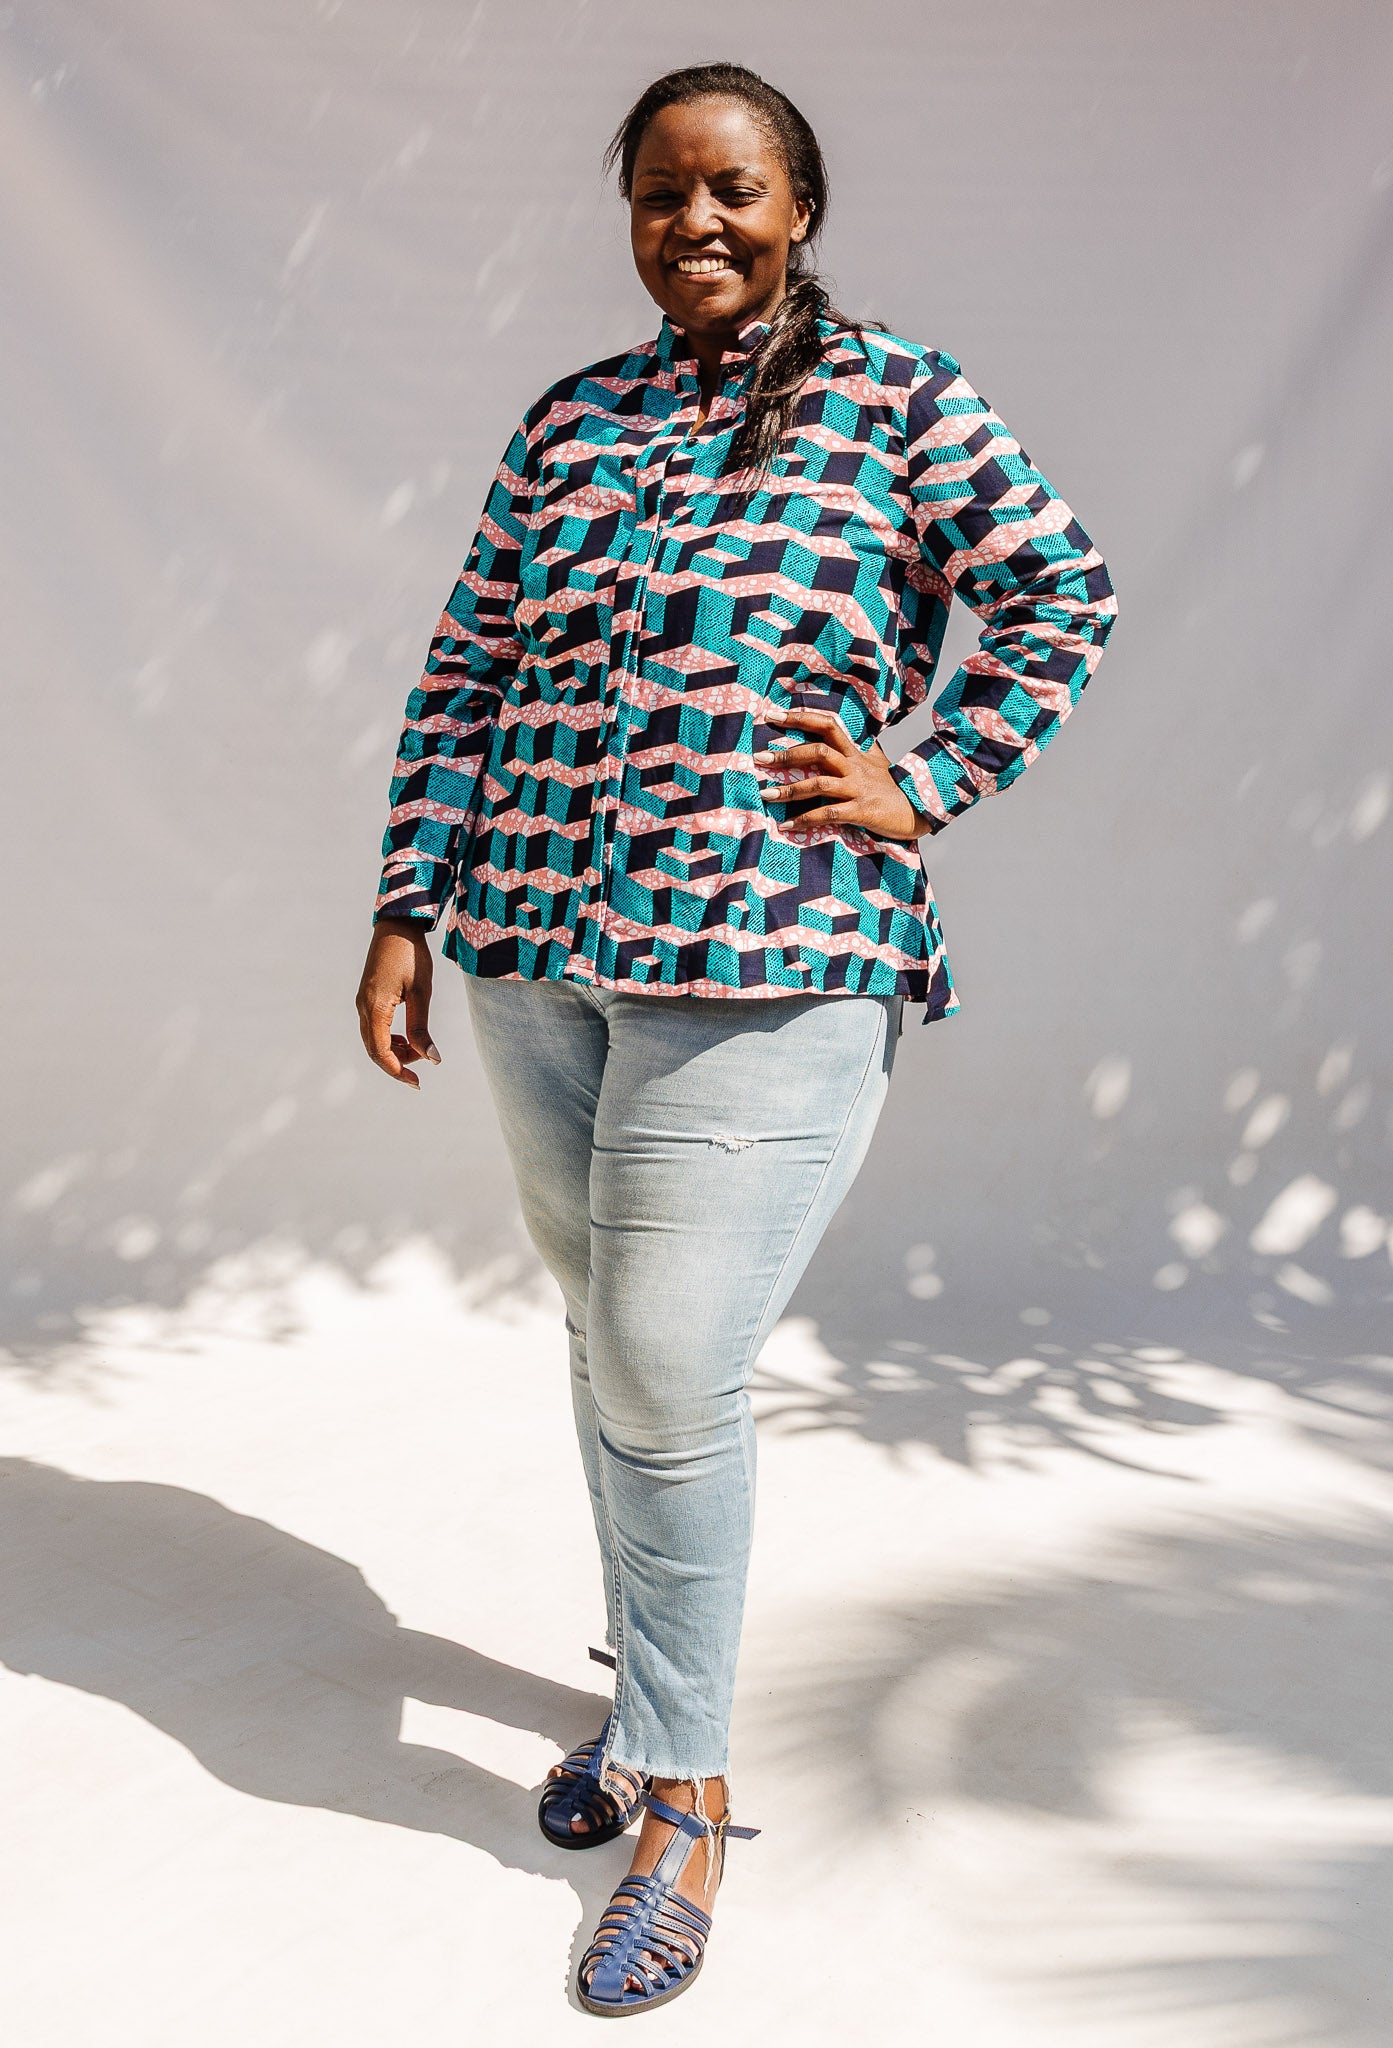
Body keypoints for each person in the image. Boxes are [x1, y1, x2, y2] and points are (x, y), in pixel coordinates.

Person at [355, 59, 1117, 2018]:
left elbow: (1061, 588)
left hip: (775, 951)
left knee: (668, 1361)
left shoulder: (902, 401)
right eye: (660, 193)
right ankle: (645, 1704)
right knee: (607, 1334)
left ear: (800, 207)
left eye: (733, 190)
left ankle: (685, 1804)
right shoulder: (573, 421)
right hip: (535, 942)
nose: (693, 221)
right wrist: (408, 903)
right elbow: (467, 664)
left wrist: (927, 772)